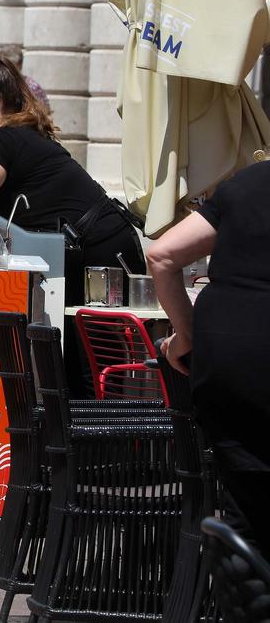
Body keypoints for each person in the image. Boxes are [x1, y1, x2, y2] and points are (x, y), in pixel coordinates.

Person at [0, 56, 143, 307]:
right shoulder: (19, 136)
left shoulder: (0, 140)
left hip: (99, 251)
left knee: (96, 341)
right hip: (107, 243)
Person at [150, 162, 270, 547]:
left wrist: (185, 336)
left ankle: (243, 600)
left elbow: (162, 255)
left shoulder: (246, 182)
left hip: (224, 364)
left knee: (245, 507)